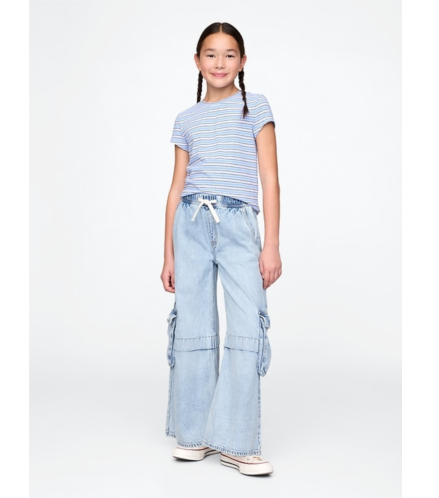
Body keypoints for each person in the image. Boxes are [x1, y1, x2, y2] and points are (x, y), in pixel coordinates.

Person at [161, 21, 281, 477]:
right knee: (193, 324)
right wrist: (169, 254)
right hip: (190, 223)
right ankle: (194, 435)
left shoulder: (256, 107)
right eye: (210, 54)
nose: (219, 63)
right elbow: (176, 188)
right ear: (197, 61)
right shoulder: (185, 119)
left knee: (247, 323)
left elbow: (270, 179)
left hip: (237, 223)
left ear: (242, 62)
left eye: (229, 55)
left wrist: (271, 244)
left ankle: (237, 441)